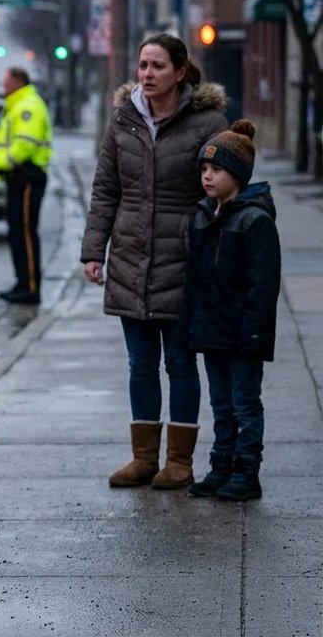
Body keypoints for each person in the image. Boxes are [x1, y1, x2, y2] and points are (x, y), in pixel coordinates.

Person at [82, 33, 228, 490]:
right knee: (140, 364)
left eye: (158, 66)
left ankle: (179, 462)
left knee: (181, 364)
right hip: (129, 257)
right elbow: (106, 189)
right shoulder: (123, 121)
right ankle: (144, 458)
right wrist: (93, 250)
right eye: (143, 65)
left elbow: (223, 189)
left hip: (183, 259)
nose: (147, 74)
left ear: (180, 72)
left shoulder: (207, 122)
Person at [181, 120, 280, 501]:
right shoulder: (204, 216)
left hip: (242, 333)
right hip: (212, 329)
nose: (207, 177)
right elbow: (195, 278)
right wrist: (190, 324)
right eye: (204, 170)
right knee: (221, 404)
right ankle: (221, 465)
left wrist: (253, 333)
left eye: (216, 170)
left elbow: (263, 285)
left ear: (237, 174)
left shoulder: (254, 220)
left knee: (245, 403)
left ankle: (246, 471)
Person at [0, 67, 51, 305]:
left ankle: (30, 287)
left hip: (27, 175)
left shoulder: (27, 106)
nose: (3, 87)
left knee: (25, 233)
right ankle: (22, 283)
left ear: (17, 82)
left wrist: (4, 162)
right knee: (17, 232)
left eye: (6, 82)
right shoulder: (18, 104)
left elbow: (24, 144)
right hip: (19, 177)